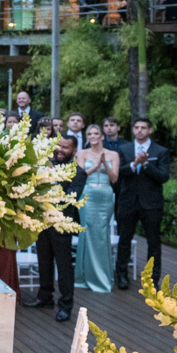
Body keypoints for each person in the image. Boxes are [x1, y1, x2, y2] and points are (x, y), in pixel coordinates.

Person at [25, 136, 86, 321]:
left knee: (64, 265)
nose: (60, 150)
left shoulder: (79, 172)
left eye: (66, 147)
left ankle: (66, 304)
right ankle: (45, 297)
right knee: (43, 259)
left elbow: (69, 198)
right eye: (59, 146)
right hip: (42, 220)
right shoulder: (44, 165)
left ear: (74, 151)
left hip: (62, 222)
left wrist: (53, 178)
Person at [116, 118, 169, 289]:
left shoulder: (160, 151)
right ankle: (122, 276)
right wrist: (134, 164)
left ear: (150, 130)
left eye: (143, 128)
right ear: (133, 130)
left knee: (153, 243)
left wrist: (146, 164)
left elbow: (163, 176)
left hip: (151, 203)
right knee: (124, 240)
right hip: (128, 201)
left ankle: (152, 280)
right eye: (136, 127)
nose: (139, 130)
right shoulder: (123, 149)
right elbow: (118, 173)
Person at [74, 124, 120, 293]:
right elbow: (81, 175)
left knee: (101, 233)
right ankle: (83, 276)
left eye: (96, 134)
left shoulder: (113, 154)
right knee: (87, 232)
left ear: (101, 136)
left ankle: (102, 278)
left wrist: (105, 164)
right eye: (90, 134)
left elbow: (114, 178)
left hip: (105, 195)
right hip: (88, 195)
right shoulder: (83, 153)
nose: (93, 136)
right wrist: (96, 165)